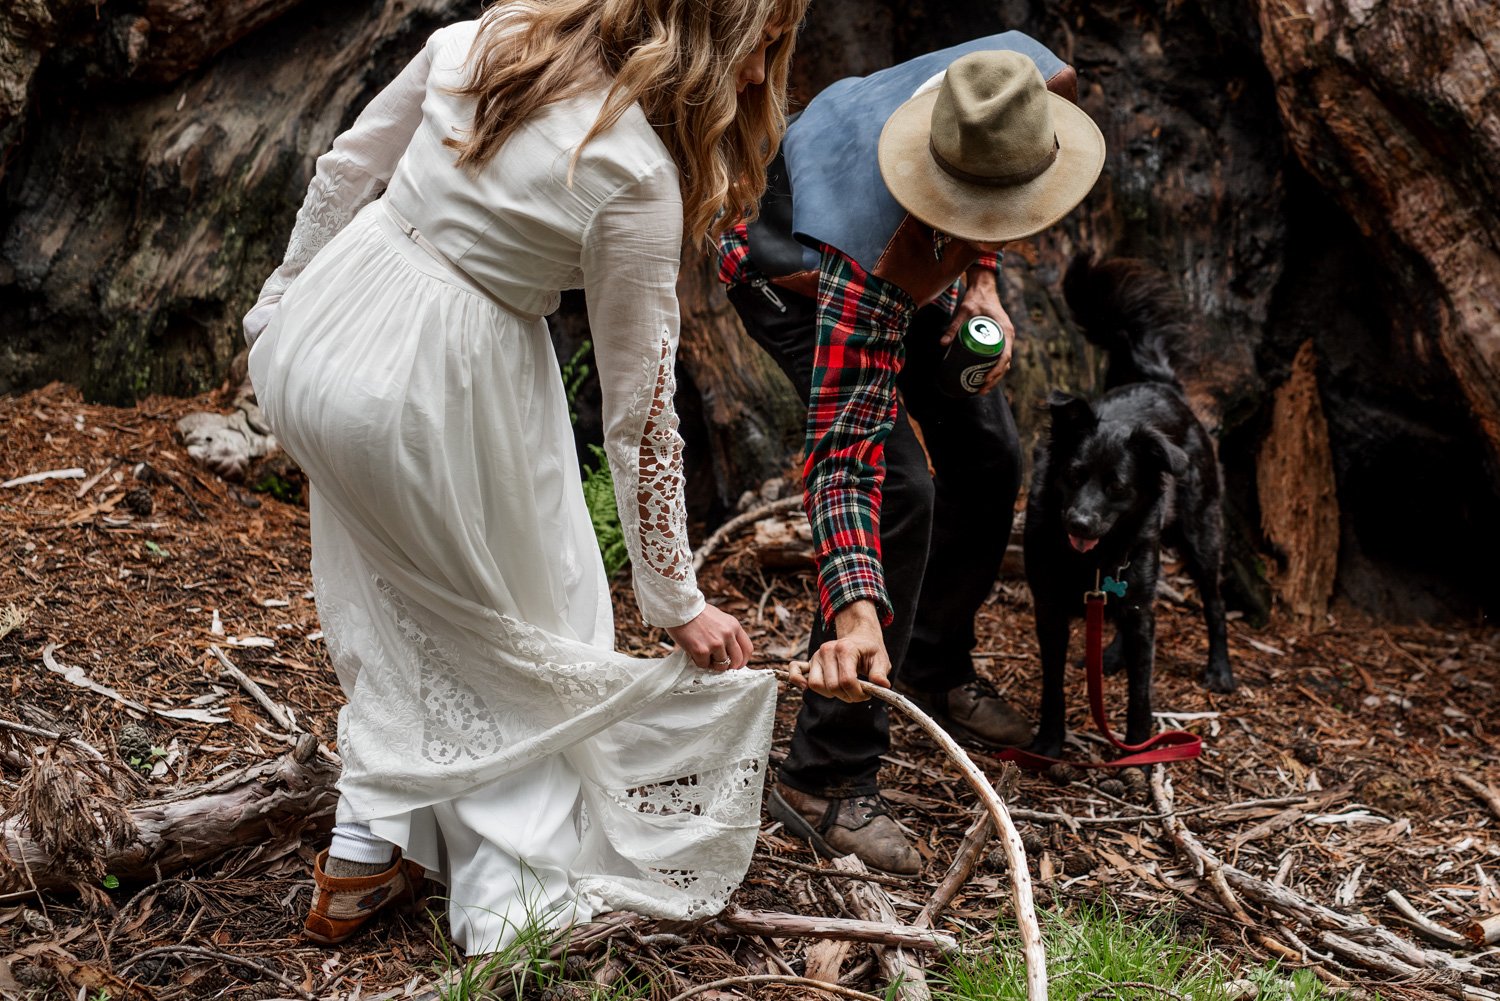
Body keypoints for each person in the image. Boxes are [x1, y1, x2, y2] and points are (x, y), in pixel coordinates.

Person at [242, 0, 809, 953]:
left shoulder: (491, 34)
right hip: (436, 379)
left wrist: (281, 304)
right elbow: (640, 417)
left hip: (329, 327)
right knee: (536, 619)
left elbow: (346, 166)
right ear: (709, 35)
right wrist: (675, 600)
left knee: (407, 600)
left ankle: (365, 846)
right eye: (762, 46)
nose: (760, 77)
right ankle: (509, 898)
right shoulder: (634, 173)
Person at [717, 36, 1105, 874]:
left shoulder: (1021, 84)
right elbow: (843, 457)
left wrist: (982, 280)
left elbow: (992, 183)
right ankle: (825, 775)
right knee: (900, 489)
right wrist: (856, 604)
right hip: (799, 277)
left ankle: (932, 663)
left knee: (991, 454)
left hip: (916, 256)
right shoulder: (868, 253)